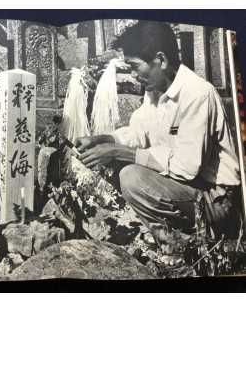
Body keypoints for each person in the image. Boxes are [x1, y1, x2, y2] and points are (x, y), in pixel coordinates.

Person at [75, 21, 241, 249]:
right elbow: (138, 133)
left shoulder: (197, 94)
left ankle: (184, 244)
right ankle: (171, 237)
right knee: (114, 166)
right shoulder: (155, 90)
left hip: (215, 198)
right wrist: (102, 140)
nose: (133, 75)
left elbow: (186, 168)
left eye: (134, 66)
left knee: (131, 177)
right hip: (185, 187)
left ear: (161, 60)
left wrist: (118, 152)